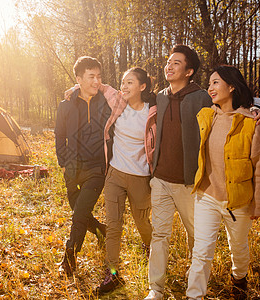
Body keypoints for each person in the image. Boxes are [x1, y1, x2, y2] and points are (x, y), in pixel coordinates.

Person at [144, 45, 260, 300]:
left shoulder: (205, 101)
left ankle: (237, 277)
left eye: (176, 62)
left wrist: (257, 112)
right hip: (178, 184)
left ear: (189, 71)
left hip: (205, 188)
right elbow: (131, 94)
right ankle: (167, 291)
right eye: (168, 61)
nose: (169, 66)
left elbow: (257, 162)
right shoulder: (168, 99)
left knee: (220, 244)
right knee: (180, 241)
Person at [186, 65, 260, 300]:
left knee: (239, 249)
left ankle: (239, 278)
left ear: (231, 86)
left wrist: (257, 205)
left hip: (238, 200)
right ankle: (194, 296)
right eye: (209, 83)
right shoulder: (207, 116)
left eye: (216, 83)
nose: (210, 88)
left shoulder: (252, 123)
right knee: (201, 252)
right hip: (207, 196)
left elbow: (259, 169)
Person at [94, 67, 156, 295]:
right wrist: (73, 89)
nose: (125, 86)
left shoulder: (153, 112)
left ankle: (150, 247)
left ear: (142, 86)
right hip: (115, 175)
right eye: (123, 82)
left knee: (143, 224)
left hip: (140, 178)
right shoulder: (118, 103)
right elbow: (98, 86)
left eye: (130, 82)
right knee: (113, 226)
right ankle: (113, 274)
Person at [55, 56, 109, 277]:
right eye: (91, 77)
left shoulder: (106, 102)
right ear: (78, 79)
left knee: (78, 214)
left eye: (99, 76)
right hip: (72, 168)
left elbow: (122, 93)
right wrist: (65, 162)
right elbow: (59, 136)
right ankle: (101, 231)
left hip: (97, 168)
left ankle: (69, 257)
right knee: (79, 211)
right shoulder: (66, 106)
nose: (96, 81)